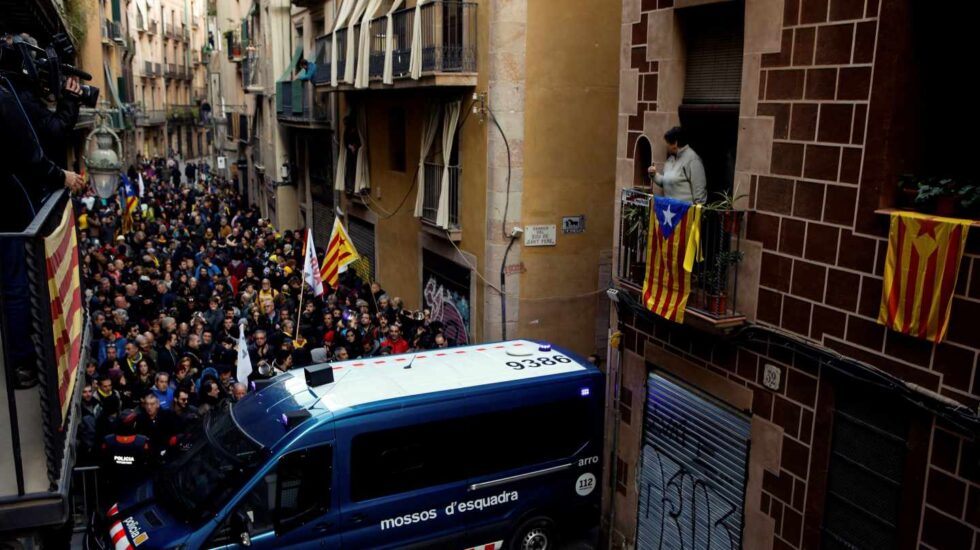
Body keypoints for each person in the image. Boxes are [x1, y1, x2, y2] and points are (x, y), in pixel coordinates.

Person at [647, 126, 707, 204]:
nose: (666, 146)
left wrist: (697, 212)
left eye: (667, 143)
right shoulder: (670, 159)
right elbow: (667, 182)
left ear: (675, 143)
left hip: (685, 212)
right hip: (670, 212)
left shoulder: (693, 160)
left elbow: (699, 191)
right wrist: (654, 175)